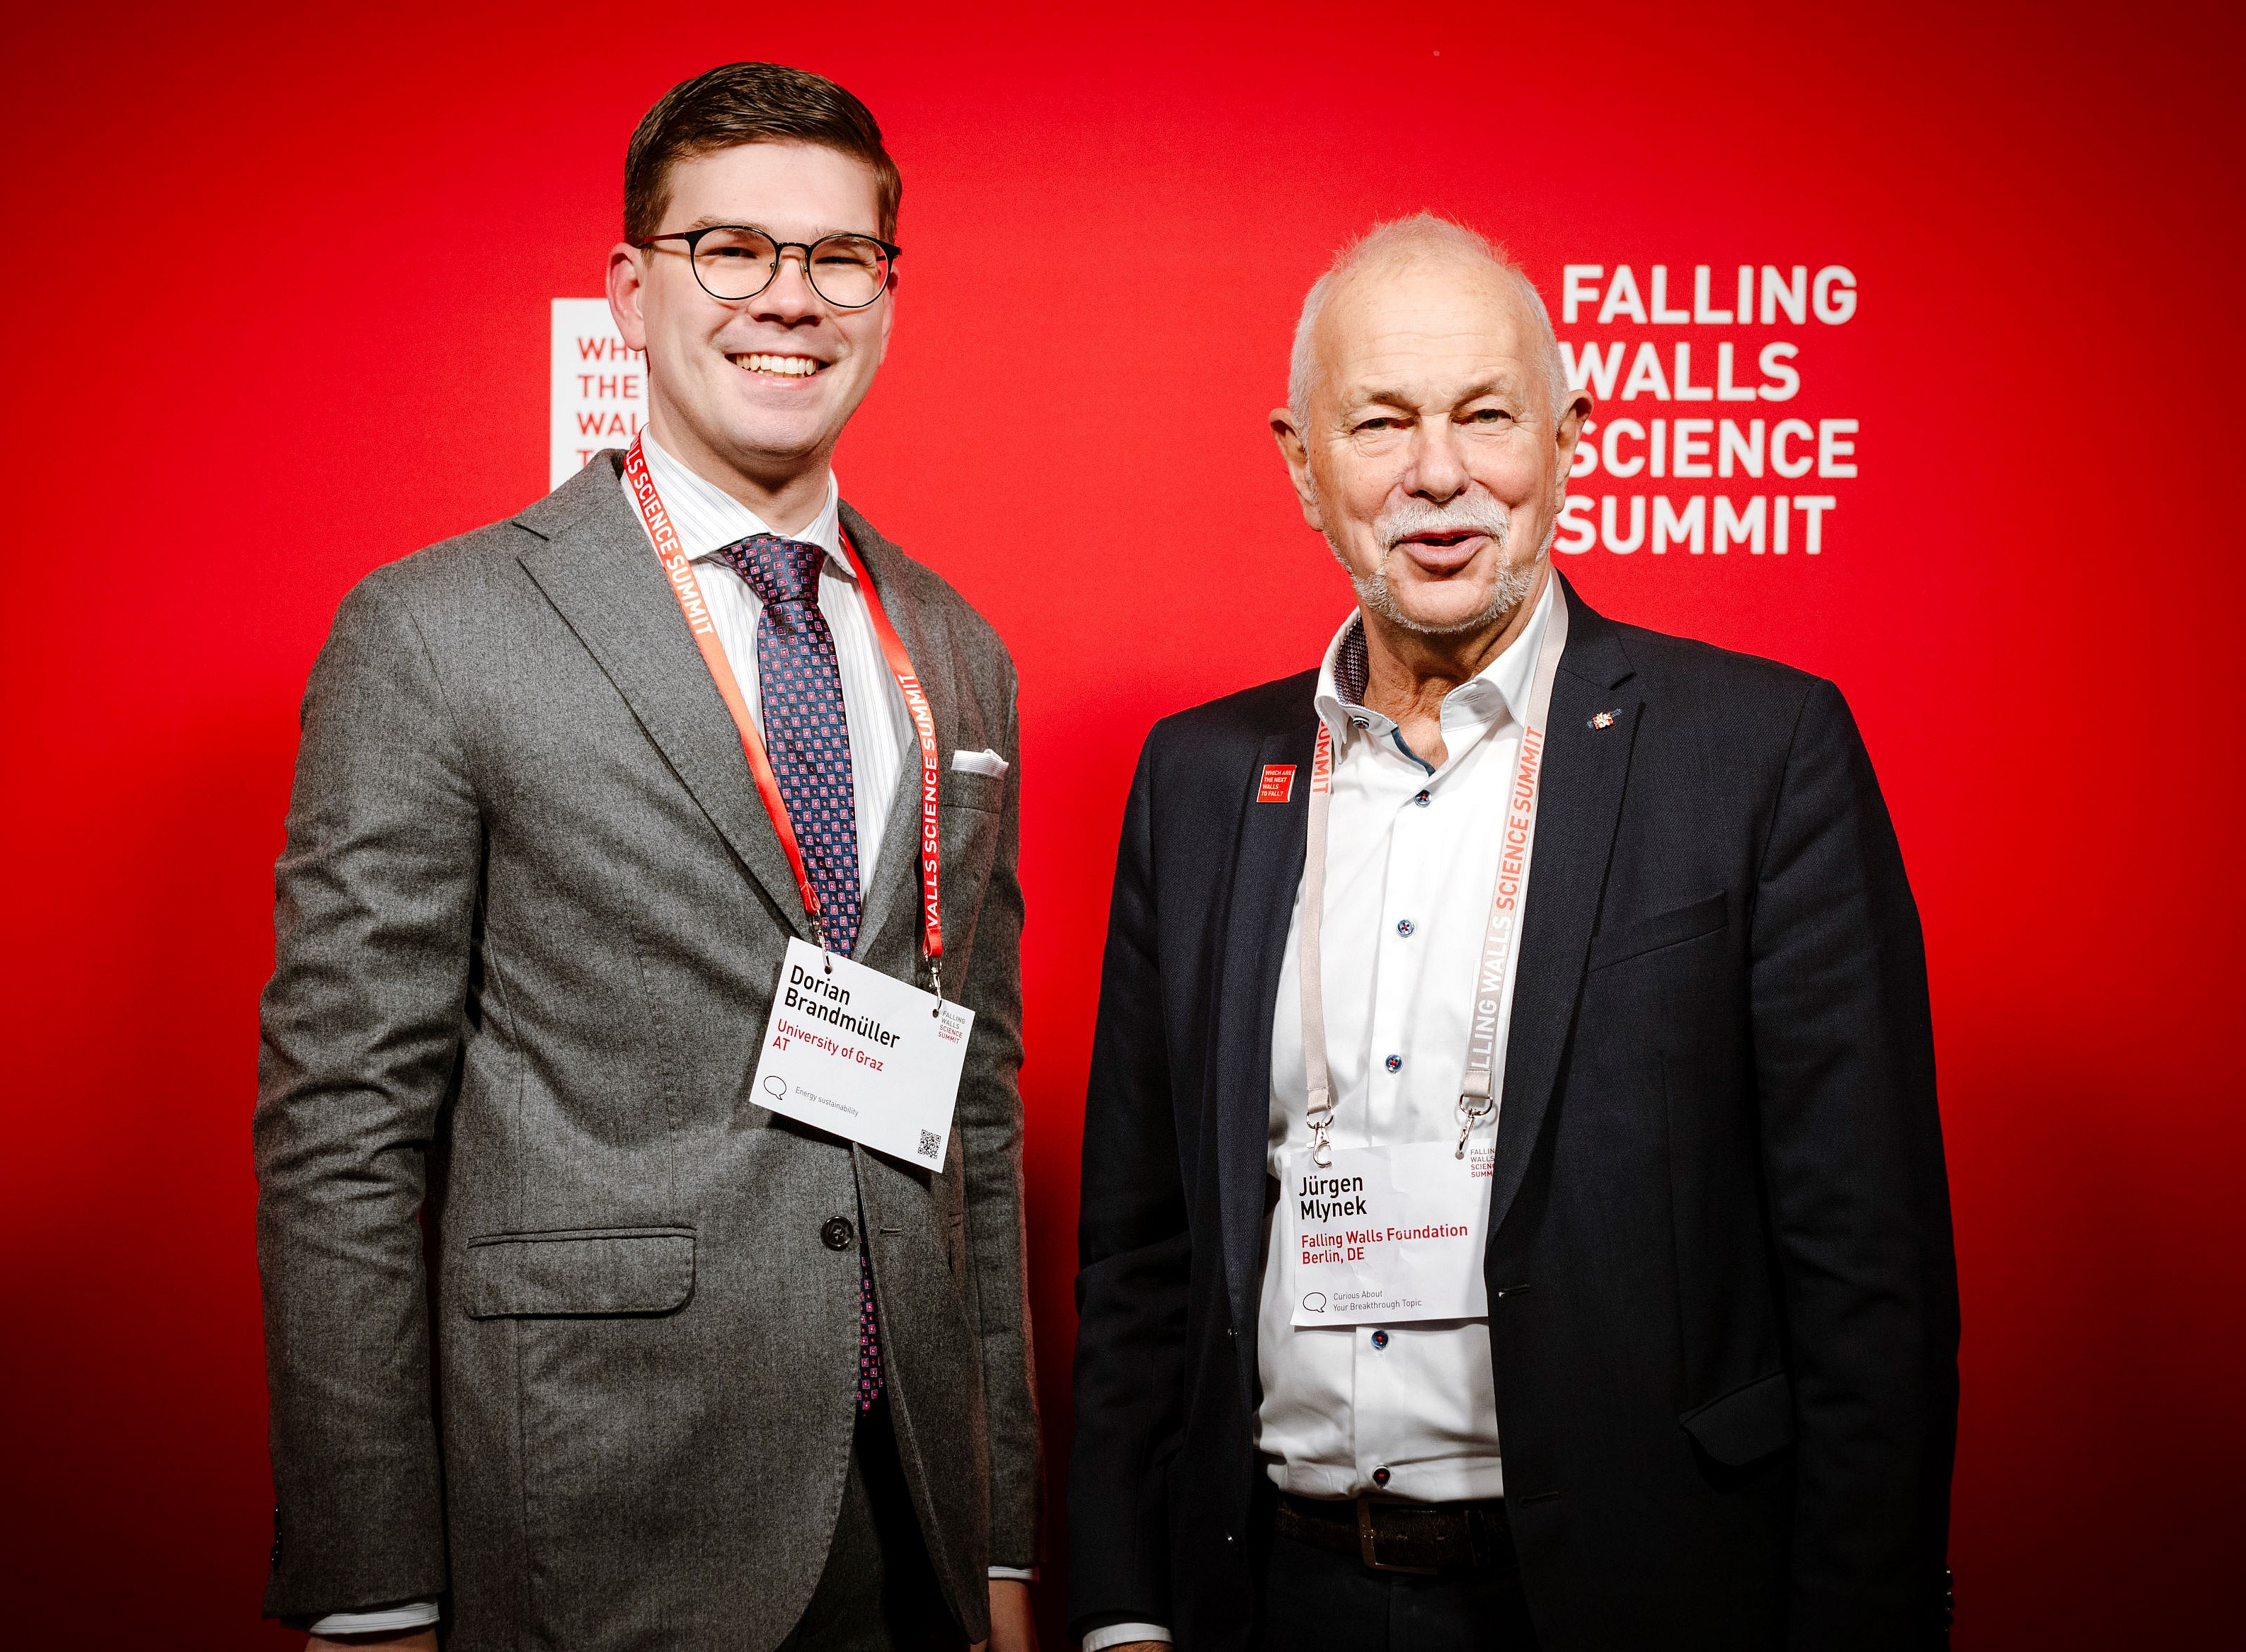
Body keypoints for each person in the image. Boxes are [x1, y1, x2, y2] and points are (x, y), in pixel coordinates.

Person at [1067, 214, 1958, 1651]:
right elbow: (1142, 1248)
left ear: (1567, 438)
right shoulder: (1201, 779)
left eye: (1487, 415)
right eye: (1381, 422)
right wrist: (1120, 1605)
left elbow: (1870, 1274)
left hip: (1643, 1594)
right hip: (1271, 1596)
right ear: (1303, 464)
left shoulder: (1759, 754)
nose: (1438, 472)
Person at [256, 62, 1040, 1652]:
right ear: (632, 287)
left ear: (885, 295)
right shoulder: (434, 630)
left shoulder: (951, 647)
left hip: (910, 1530)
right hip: (597, 1510)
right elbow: (342, 1127)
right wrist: (369, 1583)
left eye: (838, 258)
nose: (789, 300)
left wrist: (1005, 1539)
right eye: (730, 250)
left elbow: (983, 1109)